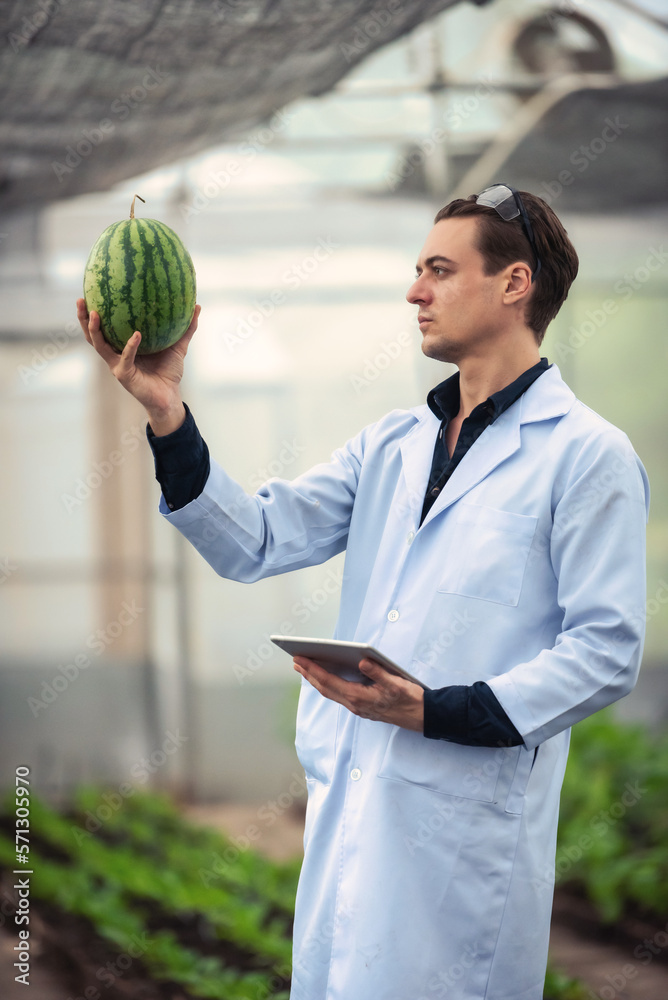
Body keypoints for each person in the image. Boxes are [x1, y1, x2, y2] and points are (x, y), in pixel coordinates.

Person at [77, 184, 649, 1000]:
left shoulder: (586, 456)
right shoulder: (393, 443)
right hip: (352, 812)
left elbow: (607, 650)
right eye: (418, 270)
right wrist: (169, 416)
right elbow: (258, 540)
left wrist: (436, 708)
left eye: (440, 271)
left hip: (462, 842)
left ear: (514, 284)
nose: (414, 291)